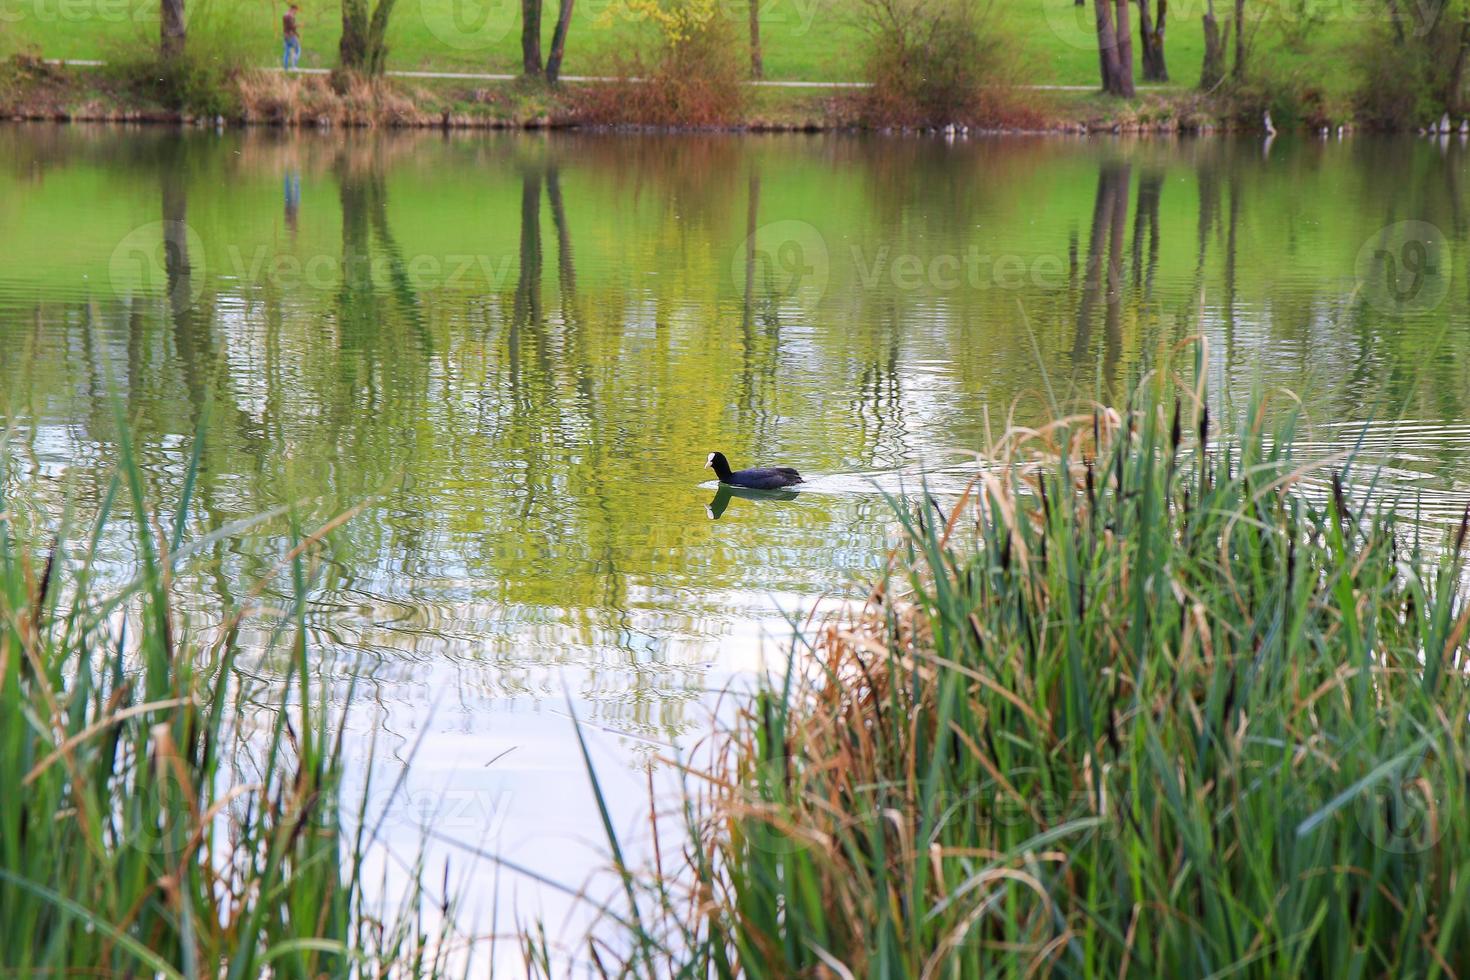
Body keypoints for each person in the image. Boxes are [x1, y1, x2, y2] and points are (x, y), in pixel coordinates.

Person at [282, 4, 301, 71]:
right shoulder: (290, 16)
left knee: (286, 52)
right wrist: (298, 25)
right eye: (296, 10)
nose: (296, 12)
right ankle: (294, 66)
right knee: (297, 49)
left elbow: (287, 27)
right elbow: (292, 26)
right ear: (293, 9)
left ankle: (285, 68)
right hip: (291, 36)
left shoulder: (285, 15)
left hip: (285, 36)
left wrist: (297, 33)